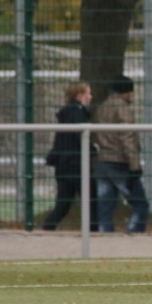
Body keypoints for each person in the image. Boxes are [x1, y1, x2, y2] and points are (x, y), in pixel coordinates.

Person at [93, 76, 149, 234]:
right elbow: (127, 137)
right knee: (140, 203)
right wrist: (135, 166)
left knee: (105, 205)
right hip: (119, 162)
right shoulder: (123, 108)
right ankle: (134, 231)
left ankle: (104, 233)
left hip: (103, 160)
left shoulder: (102, 107)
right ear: (126, 92)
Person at [43, 82, 97, 231]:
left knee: (64, 203)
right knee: (90, 200)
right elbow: (79, 137)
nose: (91, 96)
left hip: (64, 164)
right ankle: (93, 230)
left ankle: (48, 228)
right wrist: (93, 149)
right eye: (88, 93)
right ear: (80, 95)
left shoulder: (68, 113)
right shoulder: (77, 113)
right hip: (75, 164)